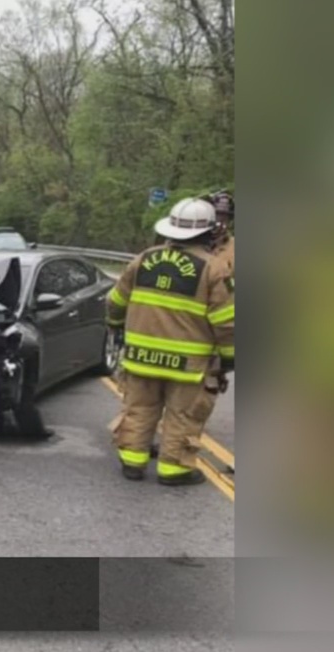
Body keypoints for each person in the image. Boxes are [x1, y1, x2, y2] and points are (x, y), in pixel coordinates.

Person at [106, 197, 235, 485]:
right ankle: (174, 470)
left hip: (140, 357)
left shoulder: (143, 259)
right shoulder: (214, 269)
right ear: (207, 232)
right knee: (182, 415)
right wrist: (229, 358)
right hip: (187, 366)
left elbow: (115, 302)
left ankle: (133, 462)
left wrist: (115, 327)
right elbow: (226, 321)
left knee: (139, 409)